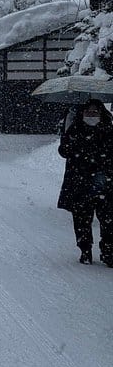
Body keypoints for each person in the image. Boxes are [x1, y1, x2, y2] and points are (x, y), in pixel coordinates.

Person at [57, 101, 113, 265]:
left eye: (95, 112)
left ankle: (108, 251)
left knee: (109, 219)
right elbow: (63, 151)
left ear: (101, 114)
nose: (91, 115)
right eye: (88, 112)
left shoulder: (108, 130)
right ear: (82, 113)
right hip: (80, 183)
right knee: (82, 219)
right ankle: (85, 249)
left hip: (105, 183)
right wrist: (72, 143)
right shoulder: (75, 129)